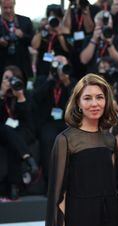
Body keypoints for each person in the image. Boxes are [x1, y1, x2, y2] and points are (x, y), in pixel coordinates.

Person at [39, 74, 118, 226]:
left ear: (107, 100)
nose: (94, 103)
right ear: (78, 102)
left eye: (99, 97)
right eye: (87, 98)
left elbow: (114, 188)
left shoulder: (109, 140)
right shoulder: (66, 140)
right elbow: (59, 195)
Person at [33, 55, 75, 184]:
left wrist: (67, 83)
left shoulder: (72, 82)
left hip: (67, 122)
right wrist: (50, 79)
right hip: (48, 122)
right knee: (48, 141)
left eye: (62, 63)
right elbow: (36, 98)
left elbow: (77, 102)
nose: (60, 67)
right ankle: (50, 182)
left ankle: (70, 182)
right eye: (57, 63)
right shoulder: (42, 80)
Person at [0, 65, 38, 200]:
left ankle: (13, 186)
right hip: (3, 131)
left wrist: (20, 97)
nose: (10, 81)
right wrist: (2, 95)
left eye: (13, 78)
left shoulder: (24, 93)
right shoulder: (1, 93)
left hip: (22, 131)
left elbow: (28, 120)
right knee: (7, 130)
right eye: (6, 78)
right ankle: (28, 158)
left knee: (13, 144)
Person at [97, 56, 118, 150]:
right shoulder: (97, 87)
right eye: (101, 69)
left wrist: (117, 107)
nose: (103, 72)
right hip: (101, 124)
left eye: (105, 68)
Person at [0, 0, 34, 79]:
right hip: (2, 64)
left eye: (10, 8)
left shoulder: (25, 21)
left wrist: (23, 35)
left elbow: (33, 42)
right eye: (5, 8)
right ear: (0, 6)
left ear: (14, 5)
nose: (8, 11)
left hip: (22, 65)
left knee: (20, 90)